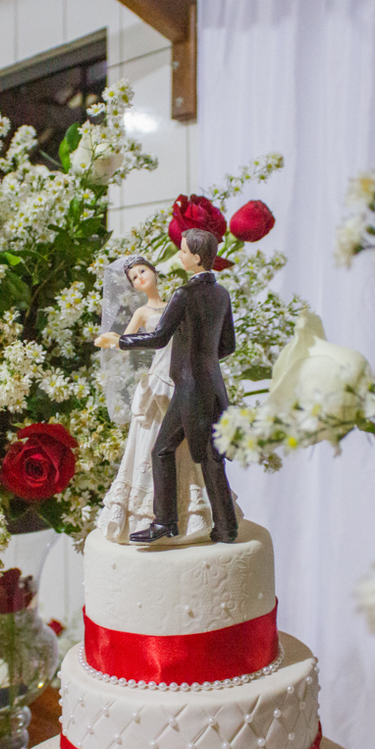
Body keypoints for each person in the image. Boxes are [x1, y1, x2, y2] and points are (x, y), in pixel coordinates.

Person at [95, 228, 240, 543]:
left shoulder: (184, 295)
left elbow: (159, 338)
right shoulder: (221, 293)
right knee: (213, 456)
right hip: (213, 385)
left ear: (197, 257)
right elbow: (227, 346)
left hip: (187, 387)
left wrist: (121, 341)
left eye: (185, 251)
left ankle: (165, 522)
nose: (181, 256)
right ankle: (227, 527)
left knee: (162, 449)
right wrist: (203, 358)